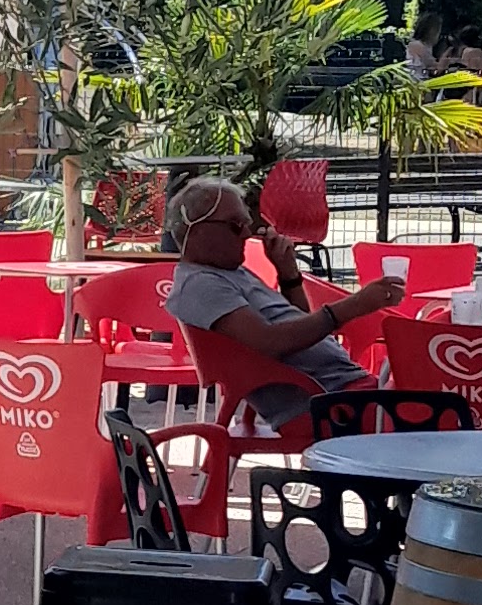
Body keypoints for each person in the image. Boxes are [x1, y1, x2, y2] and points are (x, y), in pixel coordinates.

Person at [163, 177, 401, 426]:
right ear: (197, 230)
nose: (247, 233)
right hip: (331, 405)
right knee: (426, 396)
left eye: (247, 224)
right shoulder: (201, 284)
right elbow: (271, 342)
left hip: (345, 393)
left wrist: (289, 278)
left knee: (423, 377)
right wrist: (354, 306)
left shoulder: (227, 273)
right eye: (236, 225)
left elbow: (300, 329)